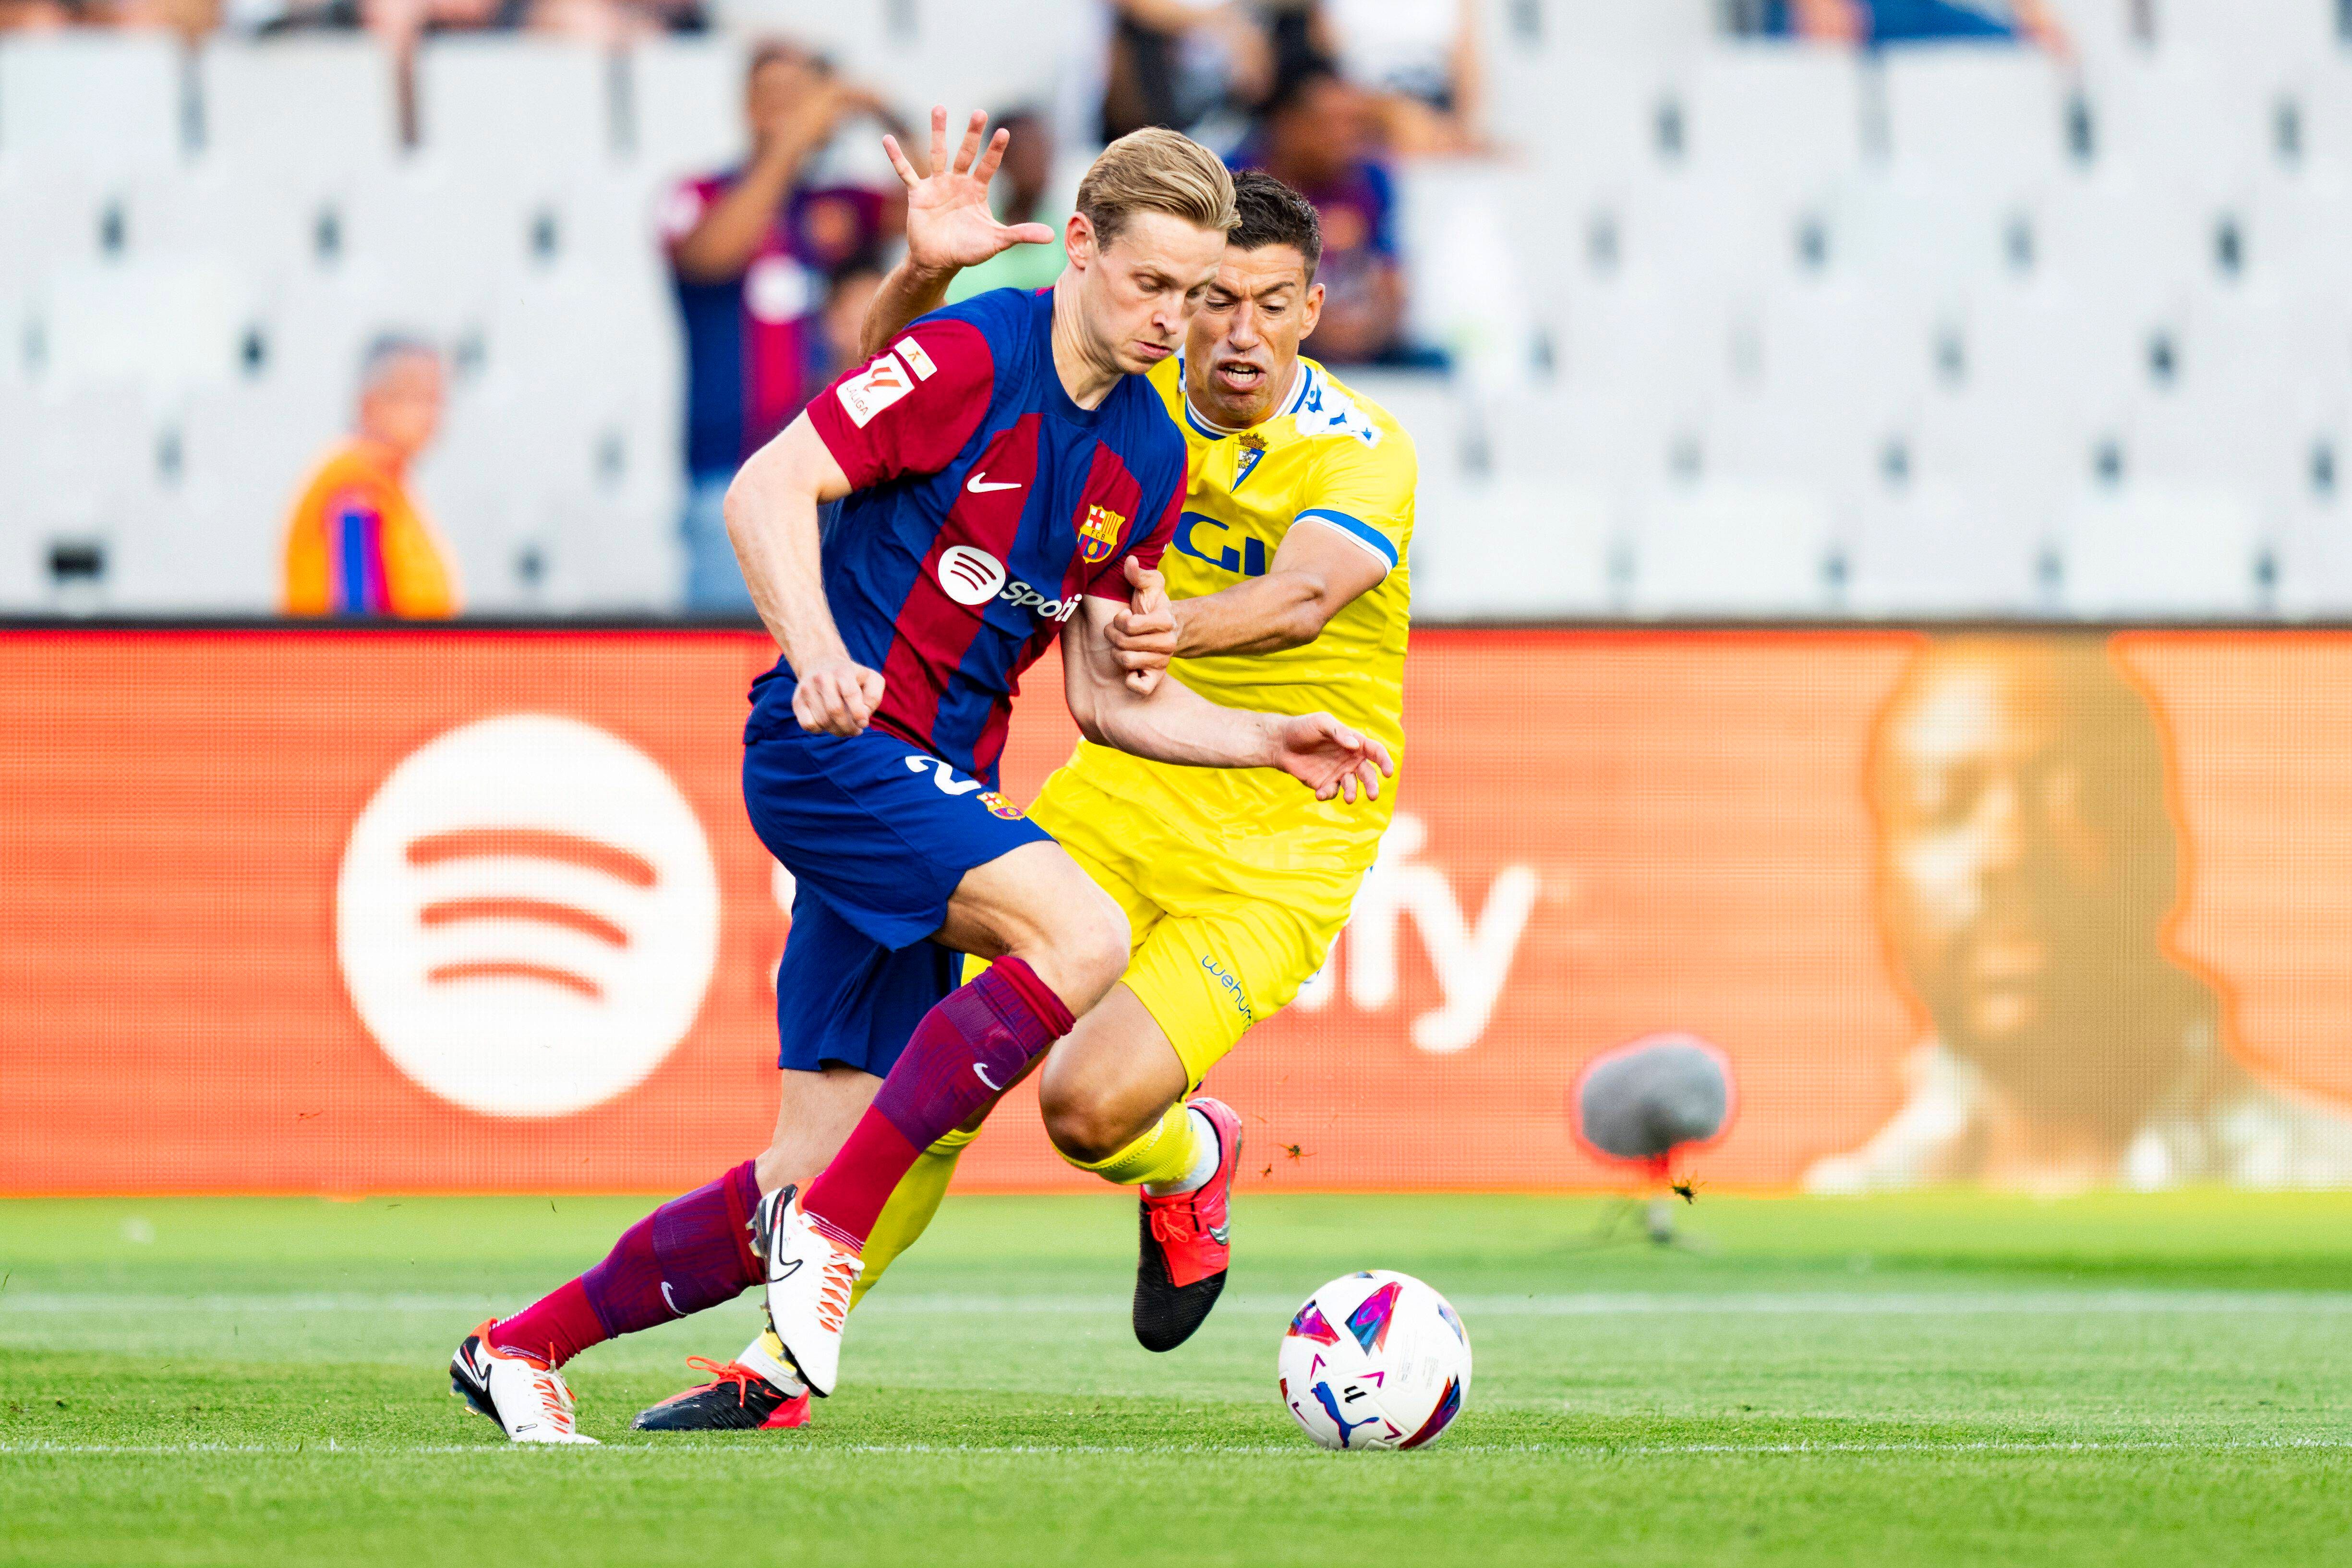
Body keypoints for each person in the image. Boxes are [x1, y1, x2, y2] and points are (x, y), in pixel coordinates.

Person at [449, 118, 1391, 1443]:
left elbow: (1103, 696)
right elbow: (768, 486)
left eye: (1190, 293)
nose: (1170, 322)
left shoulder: (1147, 455)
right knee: (1080, 935)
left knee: (801, 1167)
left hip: (928, 792)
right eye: (1150, 285)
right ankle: (832, 1247)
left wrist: (1262, 740)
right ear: (1077, 247)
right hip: (829, 749)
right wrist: (815, 650)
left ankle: (519, 1348)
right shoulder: (974, 351)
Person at [1806, 637, 2352, 1194]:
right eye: (1943, 804)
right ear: (1883, 881)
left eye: (2071, 798)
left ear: (2164, 853)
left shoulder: (2332, 1192)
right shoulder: (1842, 1220)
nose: (2010, 852)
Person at [663, 41, 901, 611]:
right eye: (771, 96)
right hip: (729, 471)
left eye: (799, 96)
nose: (787, 109)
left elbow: (928, 211)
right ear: (746, 106)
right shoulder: (700, 195)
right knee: (728, 644)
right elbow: (709, 255)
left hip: (835, 475)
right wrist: (790, 145)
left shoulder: (837, 203)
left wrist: (880, 111)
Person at [1231, 60, 1411, 366]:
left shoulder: (1372, 180)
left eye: (1355, 125)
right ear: (1285, 123)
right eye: (1328, 124)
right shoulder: (1232, 181)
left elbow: (1392, 280)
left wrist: (1367, 333)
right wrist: (1315, 328)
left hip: (1362, 346)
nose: (1345, 138)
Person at [280, 334, 460, 618]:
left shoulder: (390, 487)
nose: (432, 414)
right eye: (416, 396)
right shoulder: (356, 490)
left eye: (437, 398)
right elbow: (361, 622)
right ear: (370, 404)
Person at [943, 109, 1068, 304]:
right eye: (1025, 152)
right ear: (1001, 160)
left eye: (1043, 152)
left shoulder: (1068, 237)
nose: (1038, 164)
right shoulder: (973, 237)